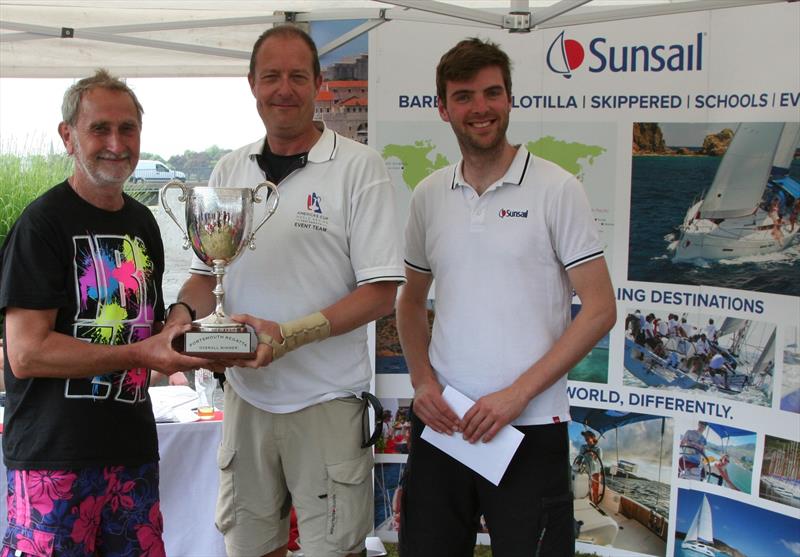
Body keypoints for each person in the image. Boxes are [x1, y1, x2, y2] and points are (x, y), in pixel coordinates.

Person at [169, 25, 404, 557]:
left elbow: (380, 293)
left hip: (326, 401)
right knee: (249, 547)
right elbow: (210, 275)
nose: (284, 89)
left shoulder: (358, 168)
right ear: (251, 83)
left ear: (320, 84)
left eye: (298, 76)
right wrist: (178, 319)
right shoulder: (230, 168)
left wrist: (287, 336)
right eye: (271, 76)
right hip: (247, 401)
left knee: (330, 550)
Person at [395, 38, 616, 557]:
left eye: (493, 93)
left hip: (530, 426)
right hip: (446, 423)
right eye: (464, 96)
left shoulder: (557, 189)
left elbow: (601, 308)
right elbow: (409, 301)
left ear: (510, 99)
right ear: (443, 106)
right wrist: (423, 383)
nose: (481, 108)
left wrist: (516, 395)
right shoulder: (429, 194)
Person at [0, 70, 216, 557]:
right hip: (53, 462)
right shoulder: (41, 225)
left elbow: (148, 329)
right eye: (100, 128)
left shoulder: (142, 223)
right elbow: (27, 353)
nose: (116, 143)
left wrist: (188, 330)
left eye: (128, 128)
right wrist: (143, 351)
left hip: (131, 456)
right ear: (68, 136)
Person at [578, 431, 604, 504]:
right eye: (585, 437)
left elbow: (600, 461)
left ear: (592, 437)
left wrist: (594, 456)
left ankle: (595, 505)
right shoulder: (583, 447)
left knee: (595, 490)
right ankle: (590, 503)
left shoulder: (598, 449)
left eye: (587, 437)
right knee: (588, 489)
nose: (586, 438)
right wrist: (578, 463)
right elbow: (580, 457)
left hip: (595, 472)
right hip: (586, 472)